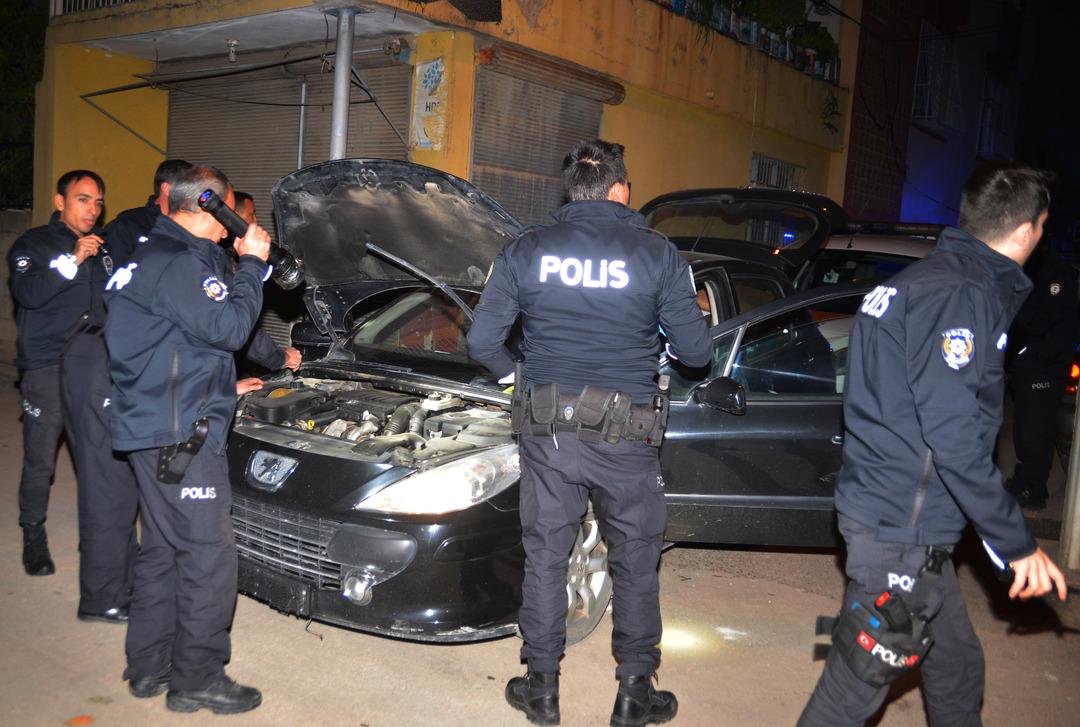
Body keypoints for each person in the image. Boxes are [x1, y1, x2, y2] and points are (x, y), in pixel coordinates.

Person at [798, 161, 1068, 727]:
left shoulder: (920, 284)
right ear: (1025, 232)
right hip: (900, 531)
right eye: (1043, 226)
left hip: (903, 521)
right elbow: (955, 438)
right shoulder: (958, 297)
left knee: (957, 668)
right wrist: (1016, 542)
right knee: (853, 691)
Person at [467, 139, 711, 727]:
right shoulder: (658, 254)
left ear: (570, 189)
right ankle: (634, 696)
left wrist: (515, 380)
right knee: (634, 560)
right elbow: (698, 353)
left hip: (549, 432)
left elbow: (481, 342)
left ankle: (542, 691)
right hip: (628, 436)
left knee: (546, 557)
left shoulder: (527, 250)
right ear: (622, 190)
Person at [105, 165, 270, 714]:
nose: (232, 224)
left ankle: (149, 665)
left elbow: (174, 340)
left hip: (154, 423)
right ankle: (198, 676)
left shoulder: (149, 254)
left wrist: (225, 380)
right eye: (226, 212)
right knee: (208, 557)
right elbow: (229, 329)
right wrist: (250, 263)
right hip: (183, 434)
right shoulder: (180, 263)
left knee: (162, 550)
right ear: (207, 207)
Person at [6, 170, 107, 577]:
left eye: (98, 202)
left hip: (93, 367)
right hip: (47, 365)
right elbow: (28, 294)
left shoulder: (104, 248)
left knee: (96, 457)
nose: (92, 209)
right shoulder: (32, 244)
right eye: (83, 199)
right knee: (40, 460)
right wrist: (74, 258)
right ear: (60, 201)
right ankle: (33, 534)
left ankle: (97, 537)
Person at [1004, 239, 1079, 509]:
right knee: (1025, 427)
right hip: (1030, 363)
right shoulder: (1033, 268)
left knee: (1036, 430)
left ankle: (1034, 490)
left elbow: (1039, 320)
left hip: (1044, 365)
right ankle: (1023, 479)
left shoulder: (1055, 273)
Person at [231, 190, 301, 373]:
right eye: (252, 214)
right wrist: (281, 358)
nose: (255, 221)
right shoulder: (222, 259)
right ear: (234, 216)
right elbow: (238, 323)